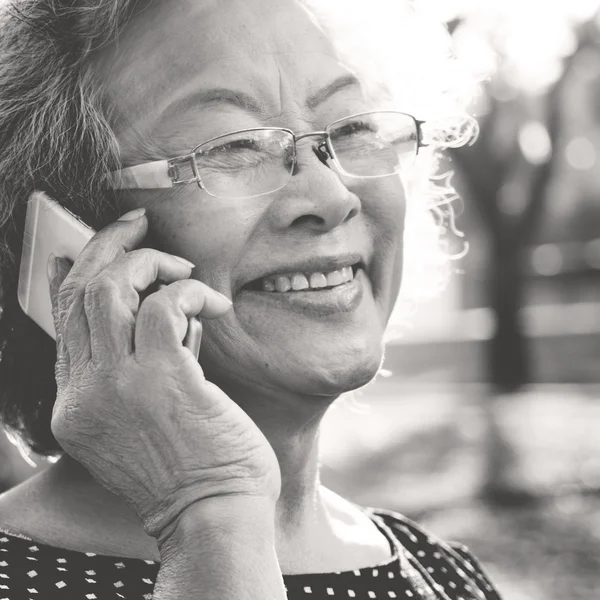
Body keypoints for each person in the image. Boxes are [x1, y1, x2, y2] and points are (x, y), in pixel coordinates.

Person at [0, 0, 499, 598]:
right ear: (66, 244)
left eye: (350, 129)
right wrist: (209, 513)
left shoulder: (446, 574)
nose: (331, 196)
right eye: (233, 147)